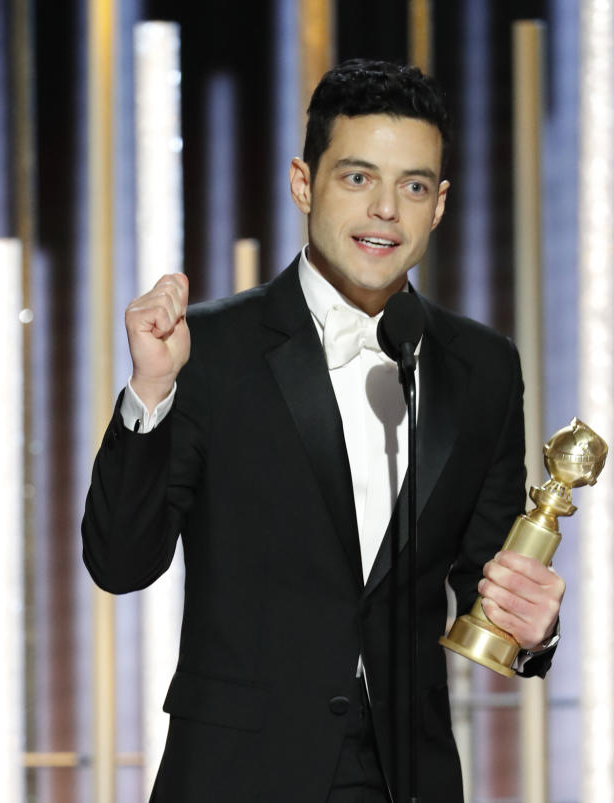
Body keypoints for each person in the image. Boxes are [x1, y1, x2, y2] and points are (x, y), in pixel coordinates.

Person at [82, 59, 564, 802]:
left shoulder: (483, 366)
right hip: (237, 775)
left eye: (412, 186)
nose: (385, 212)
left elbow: (485, 575)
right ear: (304, 183)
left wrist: (532, 627)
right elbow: (119, 562)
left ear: (438, 206)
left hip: (408, 774)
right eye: (357, 178)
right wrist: (151, 388)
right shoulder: (209, 348)